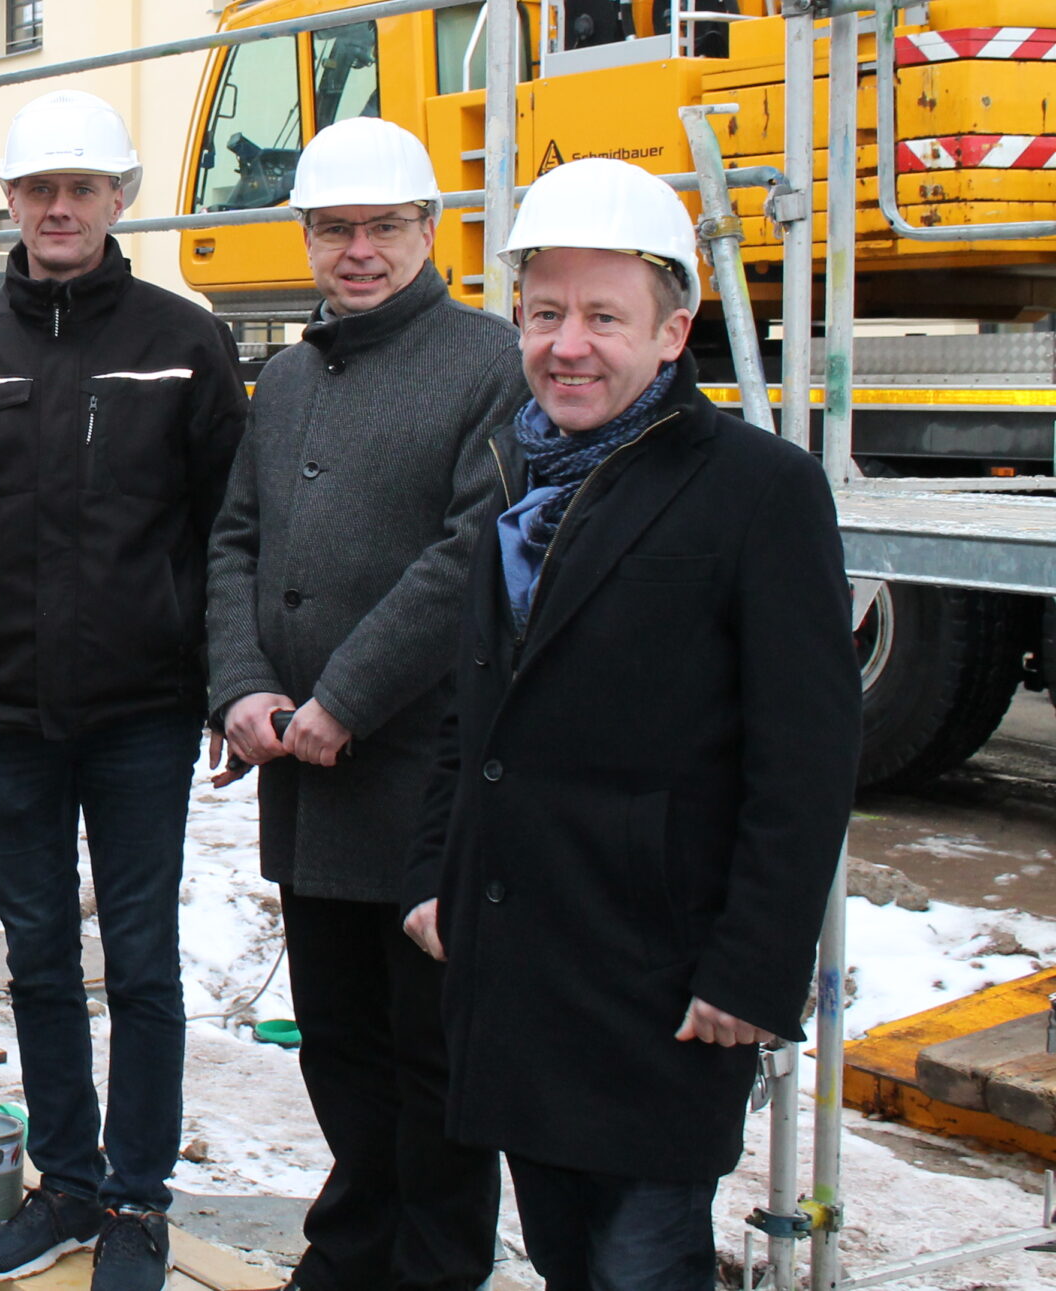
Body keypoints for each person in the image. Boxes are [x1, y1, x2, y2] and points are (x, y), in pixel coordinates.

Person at [401, 158, 859, 1291]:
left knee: (641, 1269)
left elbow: (804, 757)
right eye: (545, 313)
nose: (567, 344)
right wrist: (431, 876)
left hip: (660, 988)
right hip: (520, 966)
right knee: (566, 1263)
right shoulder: (519, 476)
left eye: (604, 317)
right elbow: (474, 713)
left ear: (672, 333)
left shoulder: (756, 489)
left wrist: (754, 970)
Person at [0, 90, 248, 1291]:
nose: (61, 207)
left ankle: (137, 1199)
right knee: (35, 960)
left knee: (138, 963)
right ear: (12, 206)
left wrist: (232, 682)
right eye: (40, 189)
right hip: (8, 718)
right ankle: (69, 1185)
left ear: (120, 198)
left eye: (83, 187)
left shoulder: (187, 342)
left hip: (141, 714)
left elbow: (230, 534)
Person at [204, 118, 523, 1291]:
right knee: (337, 1043)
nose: (358, 250)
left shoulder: (486, 360)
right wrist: (239, 683)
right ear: (306, 239)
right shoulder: (286, 375)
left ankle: (433, 1269)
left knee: (430, 1053)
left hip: (420, 775)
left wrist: (344, 698)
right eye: (335, 229)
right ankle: (348, 1252)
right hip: (302, 774)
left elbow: (470, 552)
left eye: (383, 227)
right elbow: (233, 539)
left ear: (426, 231)